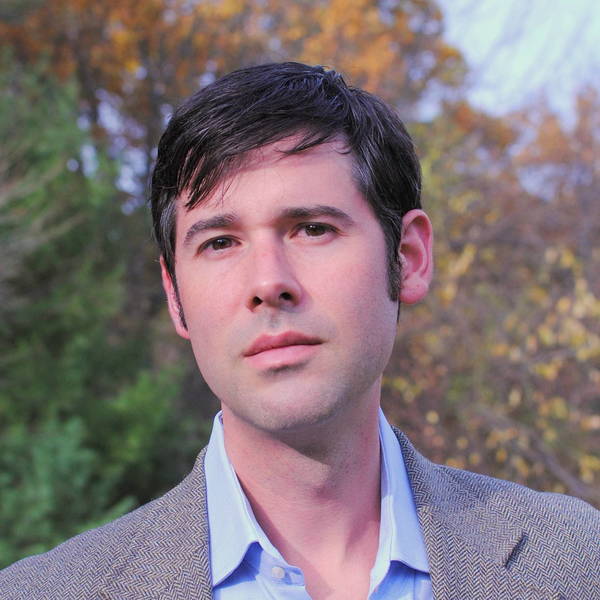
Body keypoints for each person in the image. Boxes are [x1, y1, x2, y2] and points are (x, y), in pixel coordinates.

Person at [1, 62, 598, 600]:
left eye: (312, 229)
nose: (268, 283)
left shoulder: (576, 564)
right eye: (220, 242)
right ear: (175, 296)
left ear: (409, 257)